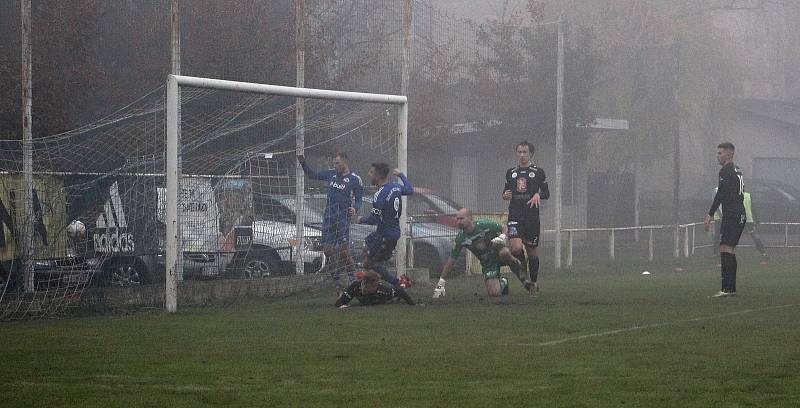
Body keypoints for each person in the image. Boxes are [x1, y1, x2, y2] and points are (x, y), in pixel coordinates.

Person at [432, 208, 531, 298]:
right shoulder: (461, 238)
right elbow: (451, 261)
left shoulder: (484, 225)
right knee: (494, 293)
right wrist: (441, 283)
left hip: (499, 252)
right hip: (488, 263)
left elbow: (504, 227)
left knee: (504, 253)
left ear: (470, 218)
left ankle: (525, 279)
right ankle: (503, 283)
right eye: (457, 219)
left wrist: (503, 236)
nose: (458, 222)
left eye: (461, 219)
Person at [298, 152, 363, 288]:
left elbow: (359, 199)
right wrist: (303, 162)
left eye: (337, 163)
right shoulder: (331, 174)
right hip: (328, 218)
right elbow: (312, 175)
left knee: (344, 252)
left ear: (345, 162)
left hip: (343, 220)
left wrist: (355, 209)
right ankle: (336, 273)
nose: (335, 166)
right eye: (334, 163)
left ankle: (353, 278)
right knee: (327, 250)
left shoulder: (355, 179)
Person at [502, 141, 549, 296]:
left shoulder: (538, 172)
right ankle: (522, 264)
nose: (522, 155)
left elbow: (546, 193)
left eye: (525, 152)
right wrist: (506, 195)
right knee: (515, 248)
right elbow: (505, 192)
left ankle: (533, 283)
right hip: (515, 215)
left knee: (532, 253)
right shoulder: (511, 172)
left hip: (531, 217)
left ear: (531, 154)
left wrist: (538, 194)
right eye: (519, 152)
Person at [358, 163, 414, 288]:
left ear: (378, 175)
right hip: (385, 233)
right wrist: (401, 176)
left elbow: (373, 219)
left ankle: (399, 283)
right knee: (366, 249)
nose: (369, 174)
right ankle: (369, 281)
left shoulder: (380, 194)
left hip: (386, 235)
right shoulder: (395, 187)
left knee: (375, 264)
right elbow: (410, 190)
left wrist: (362, 219)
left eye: (371, 172)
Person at [704, 142, 745, 297]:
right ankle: (730, 288)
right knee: (727, 249)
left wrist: (710, 214)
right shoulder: (737, 170)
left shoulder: (725, 171)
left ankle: (727, 289)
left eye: (720, 153)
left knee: (725, 248)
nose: (717, 156)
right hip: (737, 214)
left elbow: (720, 194)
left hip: (733, 215)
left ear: (729, 154)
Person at [711, 187, 768, 262]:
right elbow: (753, 208)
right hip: (748, 220)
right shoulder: (748, 195)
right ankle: (763, 253)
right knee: (755, 237)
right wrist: (757, 219)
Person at [335, 270, 416, 307]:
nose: (376, 287)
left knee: (399, 290)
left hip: (385, 299)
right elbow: (340, 303)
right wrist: (341, 300)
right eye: (375, 285)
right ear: (366, 283)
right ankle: (404, 283)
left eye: (377, 284)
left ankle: (406, 283)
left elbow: (401, 292)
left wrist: (413, 304)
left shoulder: (382, 291)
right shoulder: (355, 287)